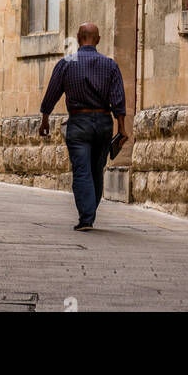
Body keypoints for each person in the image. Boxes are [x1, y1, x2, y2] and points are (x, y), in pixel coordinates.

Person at [39, 22, 128, 231]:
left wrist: (44, 120)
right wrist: (122, 128)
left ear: (78, 39)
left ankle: (86, 217)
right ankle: (90, 212)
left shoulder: (66, 63)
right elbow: (118, 100)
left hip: (79, 122)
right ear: (97, 40)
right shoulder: (110, 65)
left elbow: (52, 94)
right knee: (97, 169)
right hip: (104, 123)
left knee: (82, 170)